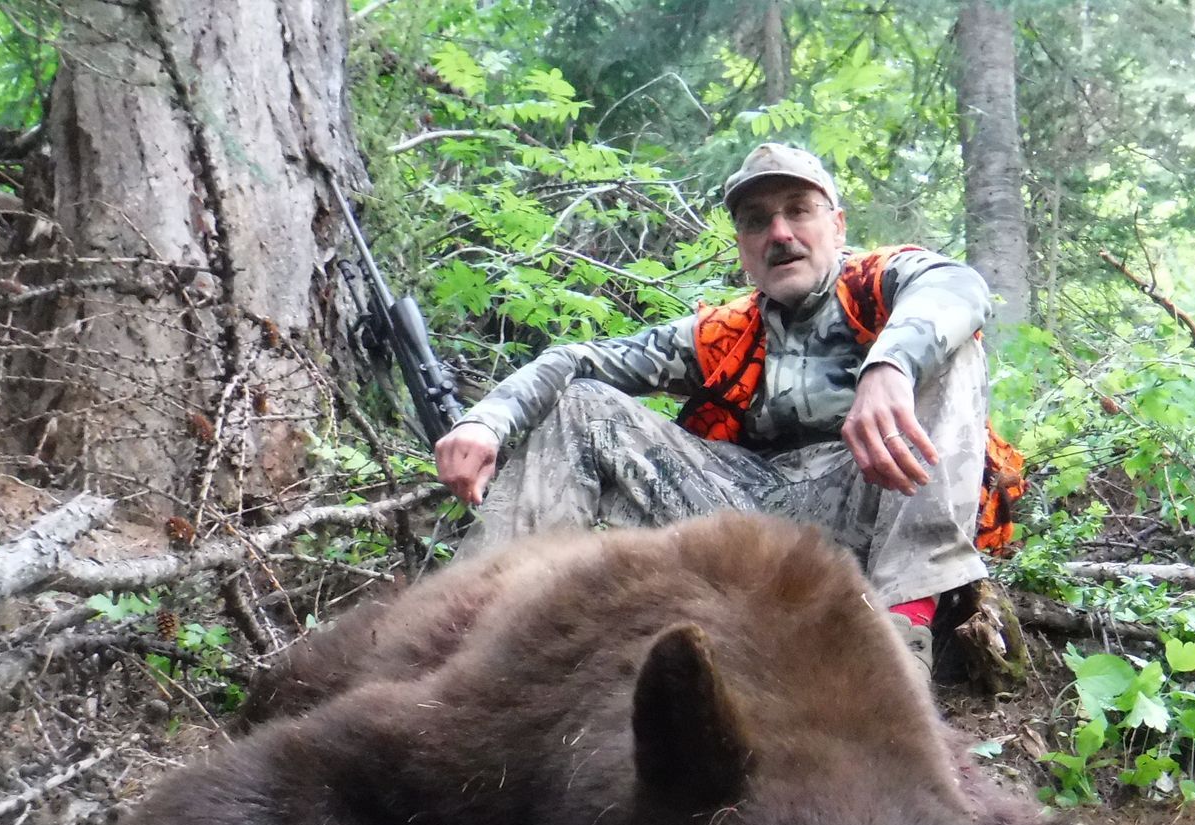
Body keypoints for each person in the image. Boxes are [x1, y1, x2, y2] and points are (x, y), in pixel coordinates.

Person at [432, 142, 1016, 667]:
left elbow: (959, 287)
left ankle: (902, 636)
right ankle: (466, 633)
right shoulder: (725, 333)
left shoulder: (877, 283)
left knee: (955, 352)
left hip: (877, 506)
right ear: (743, 247)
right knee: (583, 403)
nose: (779, 233)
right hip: (750, 528)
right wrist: (486, 420)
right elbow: (578, 361)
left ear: (837, 227)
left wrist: (890, 367)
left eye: (798, 211)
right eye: (757, 221)